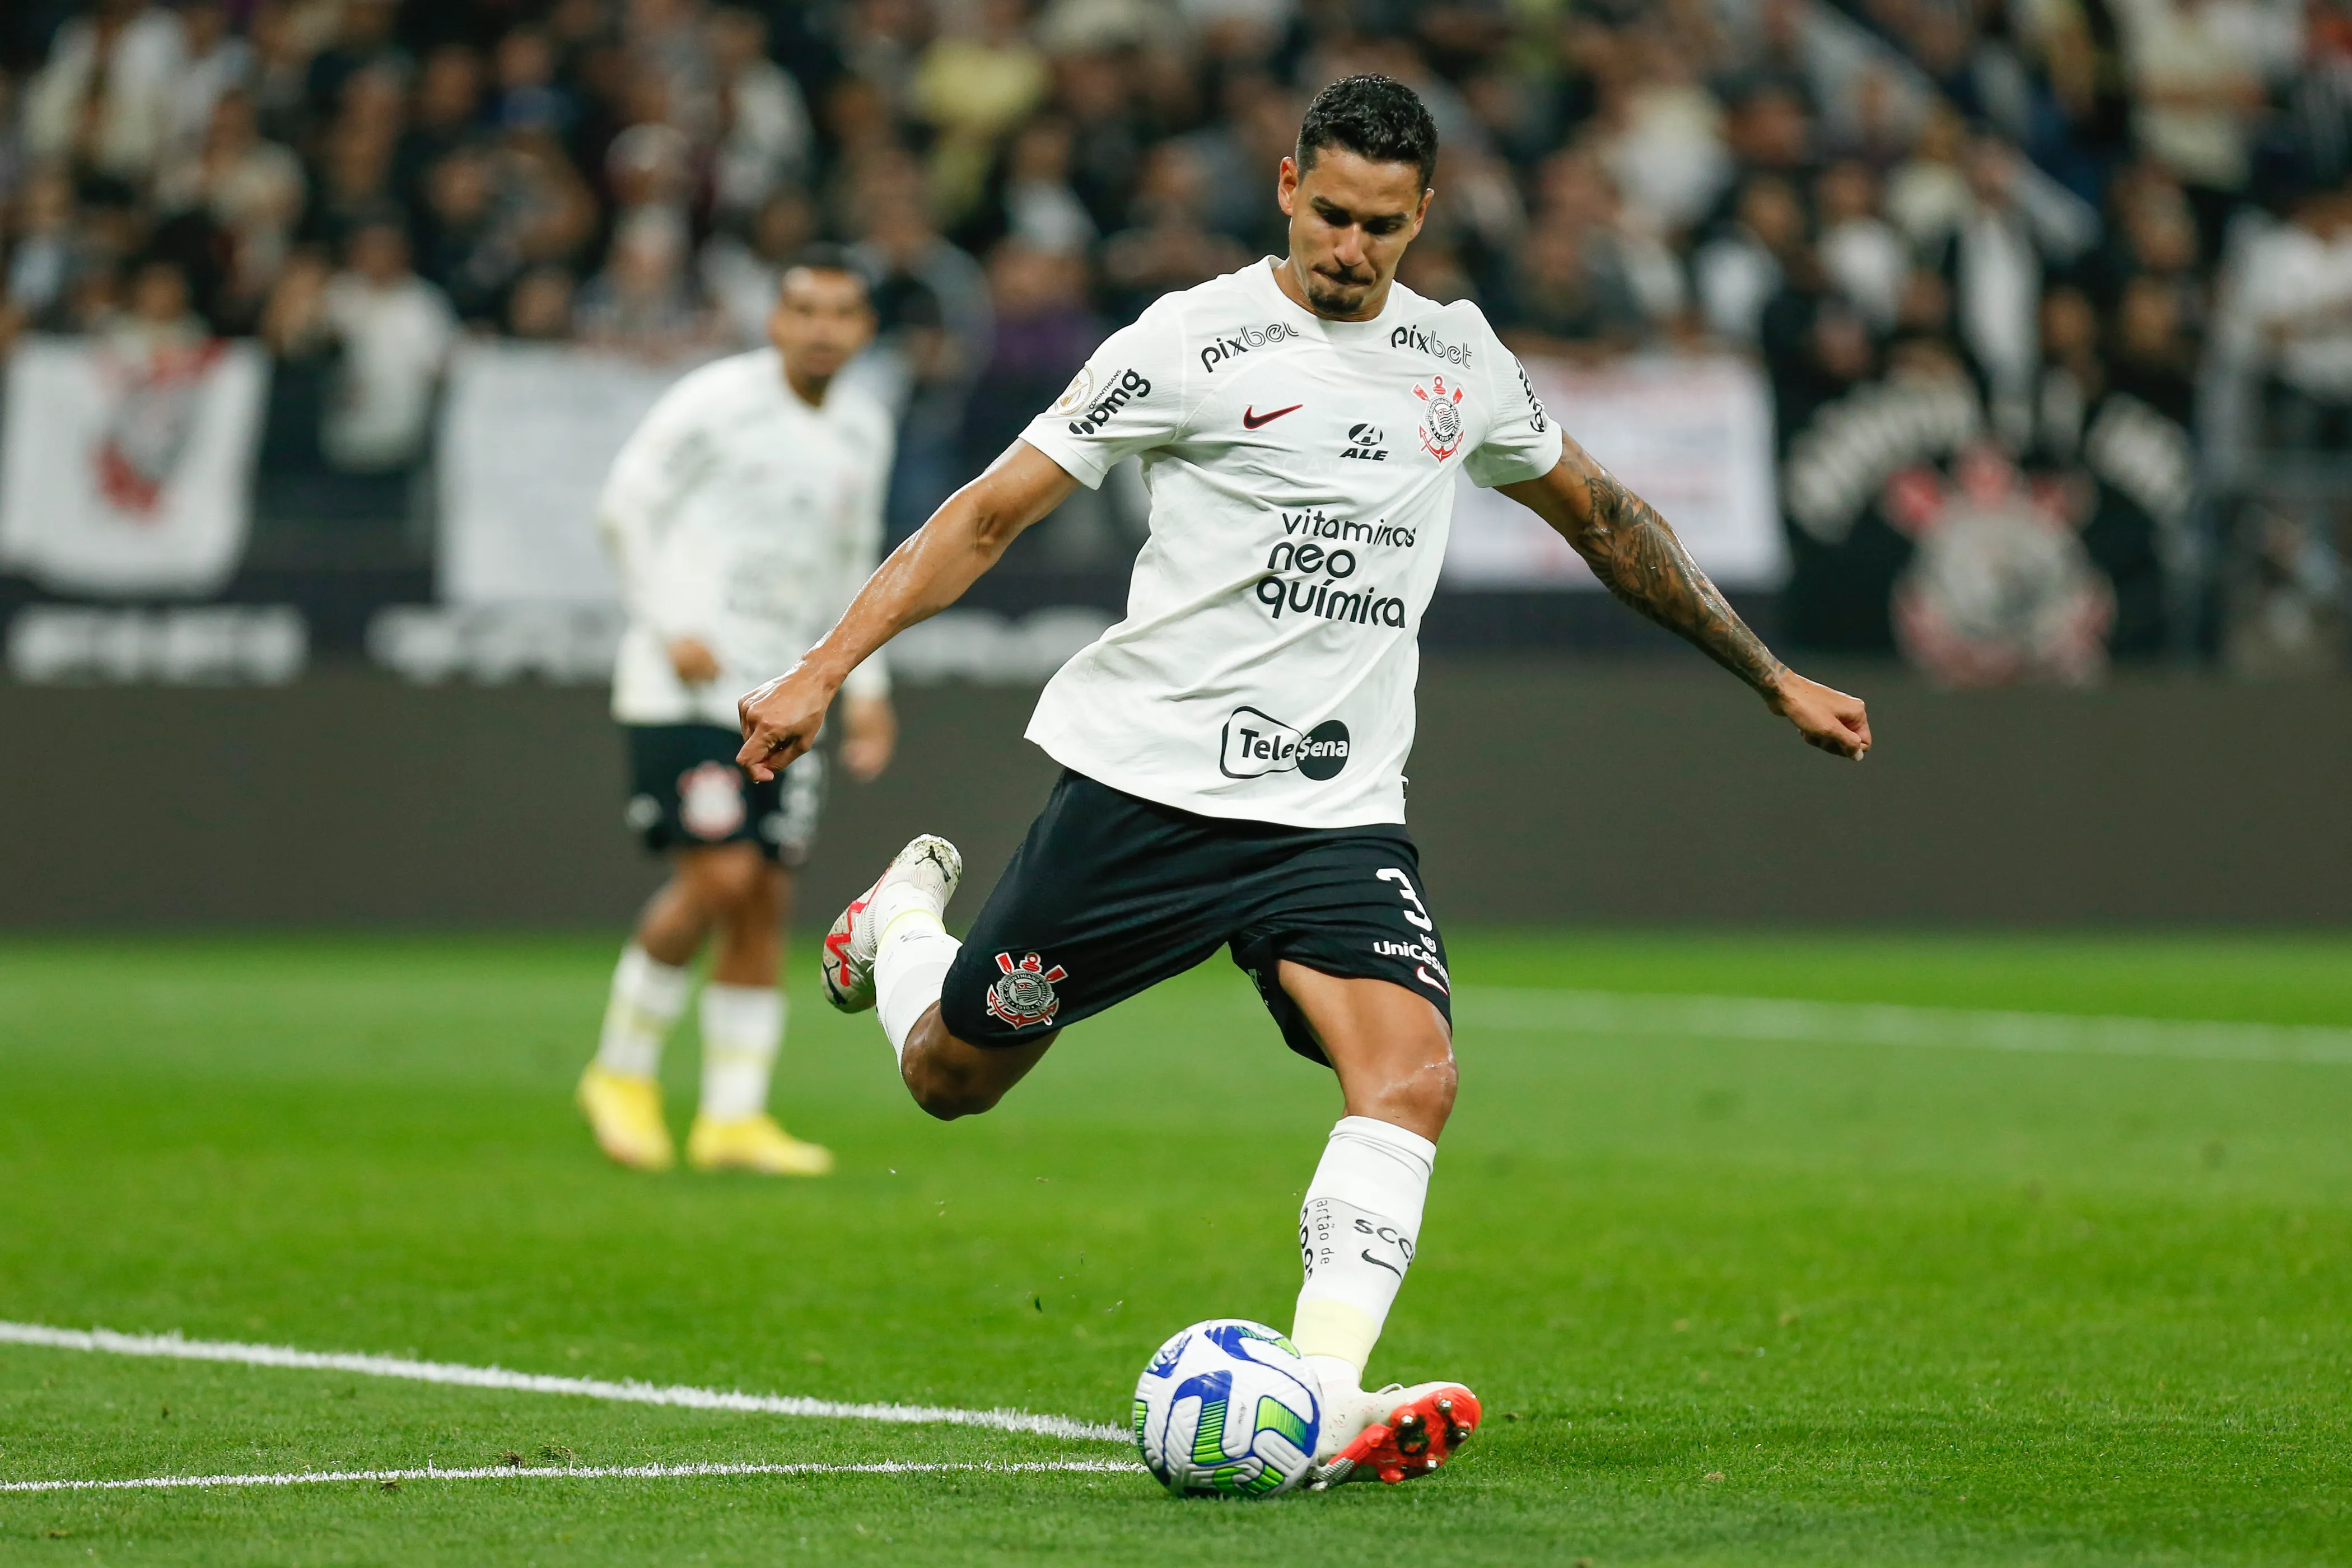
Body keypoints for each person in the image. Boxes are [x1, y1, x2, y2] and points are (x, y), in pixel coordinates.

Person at [735, 76, 1871, 1486]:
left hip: (1333, 816)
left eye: (1382, 225)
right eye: (1330, 213)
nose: (1351, 246)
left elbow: (1611, 519)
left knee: (1412, 1081)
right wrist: (819, 669)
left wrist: (1771, 675)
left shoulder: (1459, 363)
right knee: (952, 1078)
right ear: (1286, 187)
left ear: (1424, 218)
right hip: (1143, 793)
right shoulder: (1193, 339)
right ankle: (901, 926)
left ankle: (1323, 1397)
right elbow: (986, 516)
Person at [577, 247, 899, 1178]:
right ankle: (621, 1073)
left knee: (764, 895)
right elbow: (623, 508)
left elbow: (858, 563)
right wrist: (670, 622)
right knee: (718, 880)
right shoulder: (713, 401)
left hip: (788, 691)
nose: (821, 328)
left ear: (864, 329)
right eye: (804, 309)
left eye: (841, 312)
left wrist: (864, 688)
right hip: (683, 686)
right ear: (775, 319)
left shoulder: (864, 428)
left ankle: (732, 1118)